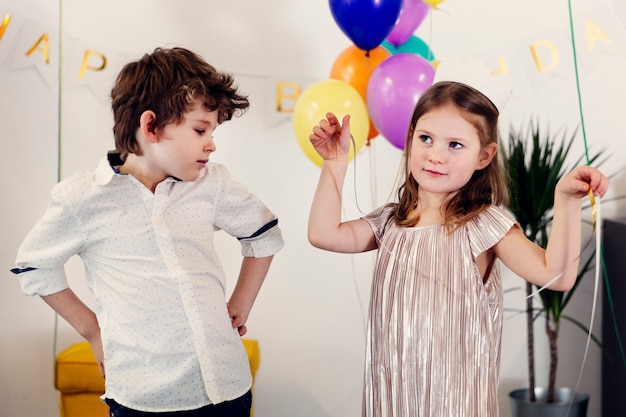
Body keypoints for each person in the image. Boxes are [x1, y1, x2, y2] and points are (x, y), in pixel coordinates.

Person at [307, 60, 609, 417]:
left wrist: (567, 200)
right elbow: (324, 234)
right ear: (410, 138)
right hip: (391, 403)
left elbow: (555, 275)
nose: (436, 155)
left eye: (455, 145)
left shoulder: (484, 224)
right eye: (426, 139)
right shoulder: (390, 221)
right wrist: (335, 163)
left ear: (484, 156)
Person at [11, 47, 284, 417]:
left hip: (227, 387)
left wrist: (240, 305)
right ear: (150, 126)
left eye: (213, 131)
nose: (212, 143)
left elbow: (262, 235)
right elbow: (34, 266)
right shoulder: (82, 197)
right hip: (143, 398)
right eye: (201, 129)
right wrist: (93, 330)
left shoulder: (212, 183)